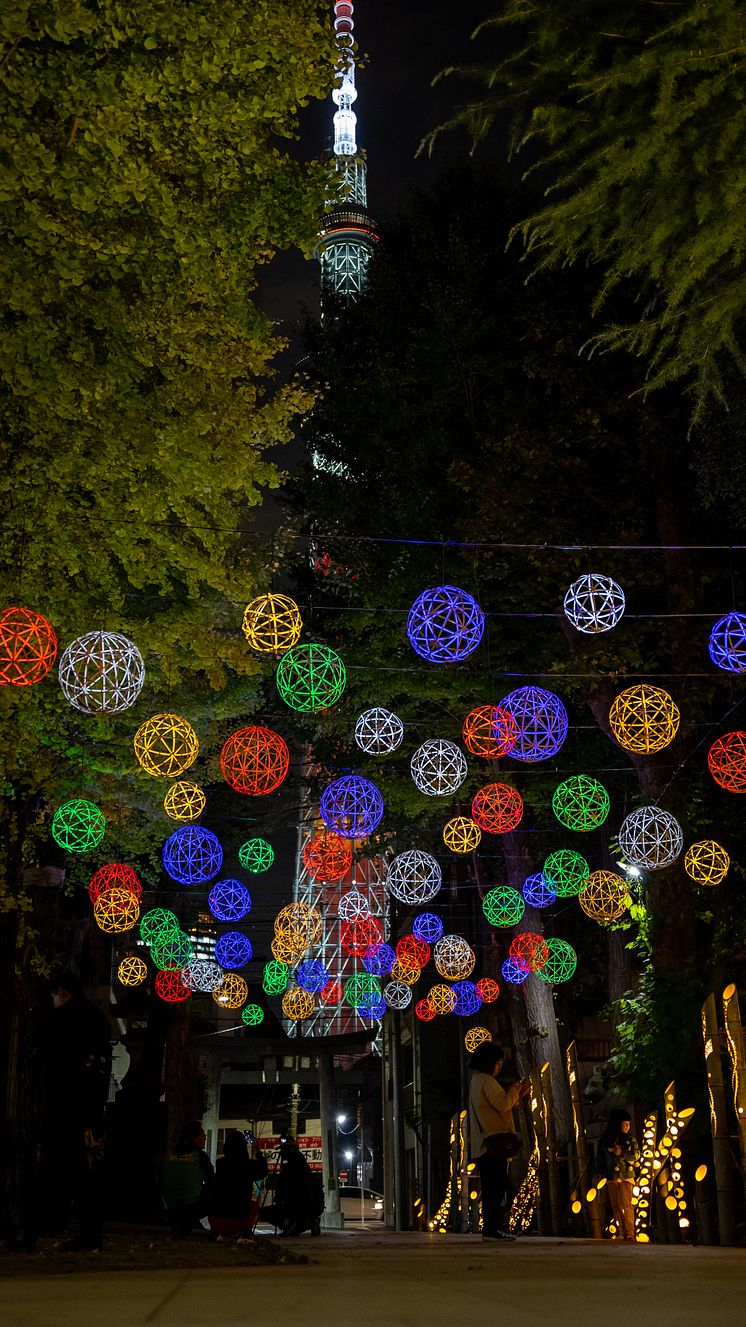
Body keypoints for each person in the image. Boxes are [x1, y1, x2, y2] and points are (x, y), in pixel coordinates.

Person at [19, 970, 112, 1252]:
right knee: (78, 1171)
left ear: (61, 992)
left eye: (53, 996)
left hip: (63, 1104)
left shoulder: (61, 1020)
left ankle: (36, 1230)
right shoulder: (97, 1019)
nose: (53, 1001)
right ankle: (78, 1231)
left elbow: (46, 1056)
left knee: (55, 1168)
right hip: (87, 1104)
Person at [468, 1041, 530, 1243]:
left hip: (483, 1144)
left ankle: (490, 1228)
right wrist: (515, 1089)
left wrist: (516, 1094)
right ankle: (493, 1229)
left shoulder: (475, 1081)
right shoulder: (487, 1081)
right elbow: (503, 1104)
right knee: (496, 1189)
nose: (500, 1066)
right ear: (491, 1062)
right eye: (499, 1062)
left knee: (490, 1189)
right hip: (494, 1144)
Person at [208, 1130, 268, 1241]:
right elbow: (263, 1171)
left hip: (216, 1219)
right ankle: (246, 1231)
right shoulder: (248, 1165)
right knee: (254, 1207)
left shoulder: (220, 1163)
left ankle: (218, 1232)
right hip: (240, 1219)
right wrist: (258, 1151)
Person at [160, 1121, 214, 1238]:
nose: (205, 1137)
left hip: (170, 1205)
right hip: (191, 1207)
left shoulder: (170, 1154)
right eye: (202, 1133)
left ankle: (181, 1223)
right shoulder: (199, 1156)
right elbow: (213, 1181)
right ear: (194, 1137)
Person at [263, 1140, 324, 1236]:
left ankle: (294, 1225)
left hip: (296, 1209)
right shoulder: (307, 1173)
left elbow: (281, 1195)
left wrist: (279, 1200)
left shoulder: (290, 1174)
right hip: (310, 1210)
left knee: (265, 1213)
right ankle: (301, 1223)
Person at [597, 1109, 639, 1242]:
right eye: (625, 1123)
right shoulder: (605, 1141)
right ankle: (621, 1232)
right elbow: (600, 1159)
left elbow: (636, 1155)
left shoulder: (630, 1140)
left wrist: (622, 1154)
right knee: (616, 1205)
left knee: (627, 1205)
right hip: (611, 1176)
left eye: (629, 1124)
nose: (628, 1126)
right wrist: (600, 1173)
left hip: (627, 1175)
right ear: (617, 1124)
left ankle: (630, 1232)